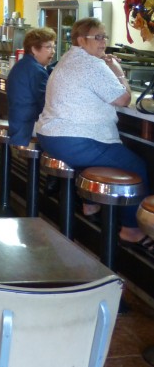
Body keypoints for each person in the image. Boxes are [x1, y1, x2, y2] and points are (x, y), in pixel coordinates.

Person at [36, 17, 152, 252]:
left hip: (51, 136)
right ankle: (131, 230)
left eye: (105, 37)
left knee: (98, 162)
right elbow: (124, 99)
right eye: (97, 37)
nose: (103, 42)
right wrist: (119, 72)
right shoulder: (92, 64)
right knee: (138, 168)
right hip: (75, 140)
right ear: (81, 40)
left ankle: (90, 205)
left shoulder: (69, 58)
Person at [6, 27, 57, 147]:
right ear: (34, 49)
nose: (53, 51)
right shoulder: (36, 70)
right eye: (48, 47)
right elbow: (46, 104)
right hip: (27, 128)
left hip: (16, 123)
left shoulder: (23, 64)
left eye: (53, 47)